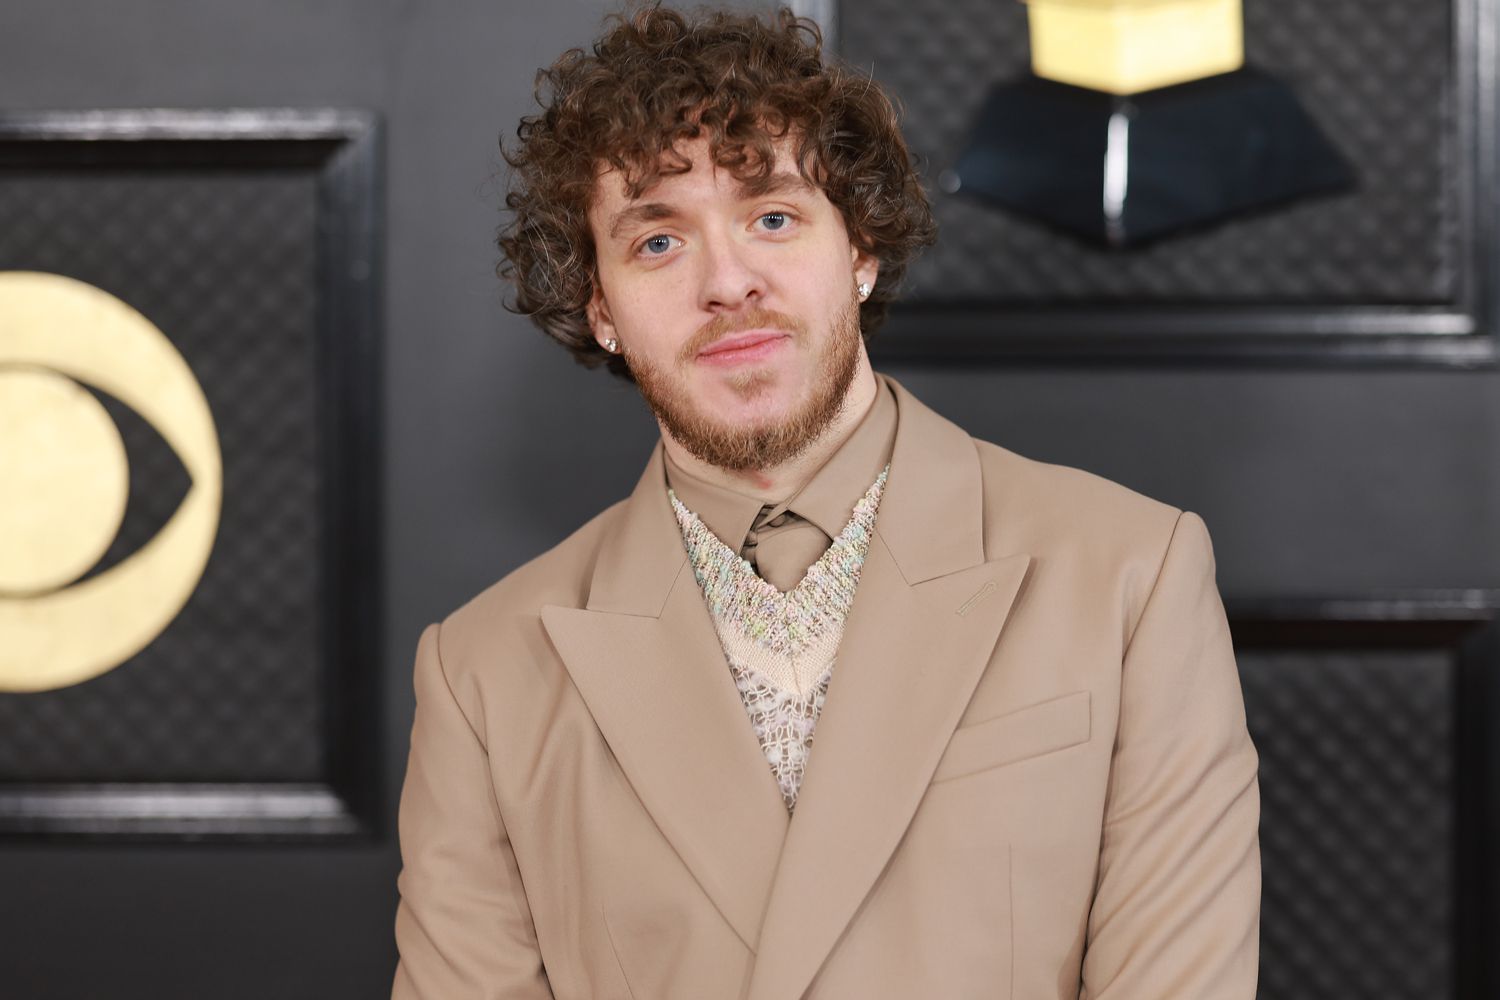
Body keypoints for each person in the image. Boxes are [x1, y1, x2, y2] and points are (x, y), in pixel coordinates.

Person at [390, 5, 1261, 998]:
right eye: (660, 241)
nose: (728, 283)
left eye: (772, 217)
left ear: (860, 249)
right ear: (601, 307)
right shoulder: (483, 674)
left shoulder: (1131, 577)